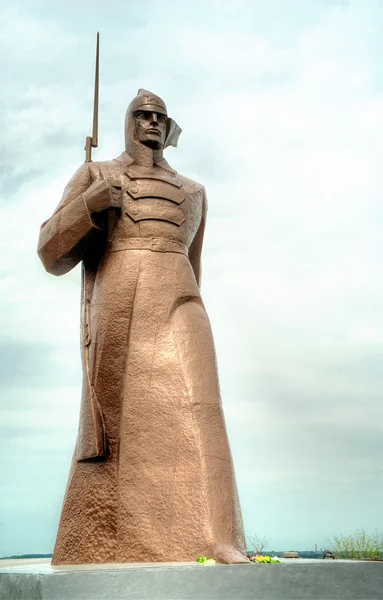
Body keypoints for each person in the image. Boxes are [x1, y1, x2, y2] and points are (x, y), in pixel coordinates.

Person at [38, 89, 248, 564]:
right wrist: (89, 205)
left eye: (159, 116)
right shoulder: (97, 174)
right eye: (142, 115)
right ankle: (114, 539)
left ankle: (219, 535)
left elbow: (195, 263)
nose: (151, 122)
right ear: (128, 123)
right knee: (118, 425)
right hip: (119, 295)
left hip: (179, 291)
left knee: (202, 399)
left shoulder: (194, 192)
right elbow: (50, 251)